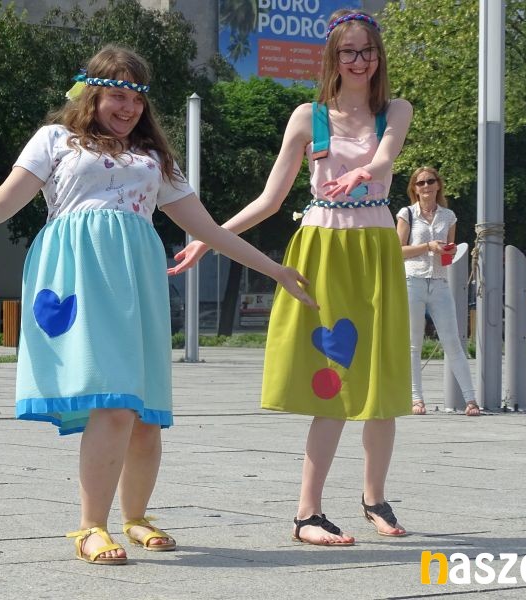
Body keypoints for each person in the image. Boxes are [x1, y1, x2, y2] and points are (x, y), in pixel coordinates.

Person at [0, 45, 318, 565]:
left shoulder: (155, 159)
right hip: (77, 279)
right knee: (113, 405)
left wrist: (275, 270)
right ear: (91, 95)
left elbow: (207, 228)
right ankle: (91, 527)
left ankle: (136, 517)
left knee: (145, 415)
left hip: (137, 285)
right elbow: (3, 203)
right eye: (118, 95)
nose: (128, 108)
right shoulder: (55, 140)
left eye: (137, 99)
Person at [170, 10, 412, 543]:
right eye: (349, 51)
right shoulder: (307, 117)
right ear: (333, 57)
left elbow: (387, 155)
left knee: (383, 379)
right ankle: (308, 513)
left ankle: (375, 498)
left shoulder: (395, 110)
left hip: (375, 247)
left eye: (368, 50)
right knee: (332, 378)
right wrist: (208, 240)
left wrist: (363, 171)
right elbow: (269, 200)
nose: (360, 60)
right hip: (323, 248)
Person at [396, 167, 479, 417]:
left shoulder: (448, 216)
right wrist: (428, 246)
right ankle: (416, 399)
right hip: (413, 280)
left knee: (452, 341)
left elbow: (448, 253)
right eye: (420, 183)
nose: (426, 186)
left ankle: (471, 400)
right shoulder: (407, 214)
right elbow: (397, 250)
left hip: (440, 282)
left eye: (430, 181)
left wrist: (449, 251)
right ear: (414, 188)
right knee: (413, 343)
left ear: (438, 185)